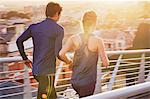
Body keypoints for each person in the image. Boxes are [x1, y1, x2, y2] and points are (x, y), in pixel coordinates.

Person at [16, 2, 64, 99]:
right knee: (47, 96)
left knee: (49, 95)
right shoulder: (58, 29)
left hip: (36, 71)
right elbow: (58, 53)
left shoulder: (34, 27)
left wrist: (25, 59)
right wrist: (69, 62)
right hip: (47, 72)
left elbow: (19, 41)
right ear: (57, 13)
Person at [59, 11, 109, 98]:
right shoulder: (98, 41)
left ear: (82, 23)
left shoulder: (74, 38)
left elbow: (61, 54)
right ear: (94, 23)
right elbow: (105, 64)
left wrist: (69, 62)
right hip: (88, 83)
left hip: (75, 82)